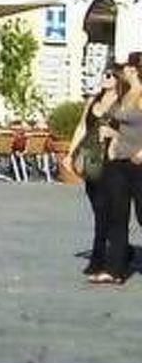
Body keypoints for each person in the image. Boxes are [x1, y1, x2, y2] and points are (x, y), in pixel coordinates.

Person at [86, 57, 142, 285]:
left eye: (128, 66)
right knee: (117, 216)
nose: (124, 70)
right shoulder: (124, 95)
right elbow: (118, 125)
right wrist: (113, 137)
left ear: (135, 70)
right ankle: (114, 270)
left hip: (138, 162)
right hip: (118, 162)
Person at [73, 67, 120, 270]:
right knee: (97, 206)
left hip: (113, 159)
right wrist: (70, 153)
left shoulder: (123, 102)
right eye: (104, 75)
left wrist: (114, 134)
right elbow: (82, 127)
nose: (105, 78)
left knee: (103, 208)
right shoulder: (93, 100)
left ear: (118, 79)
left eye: (109, 75)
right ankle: (121, 248)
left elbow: (133, 131)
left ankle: (97, 258)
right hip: (91, 157)